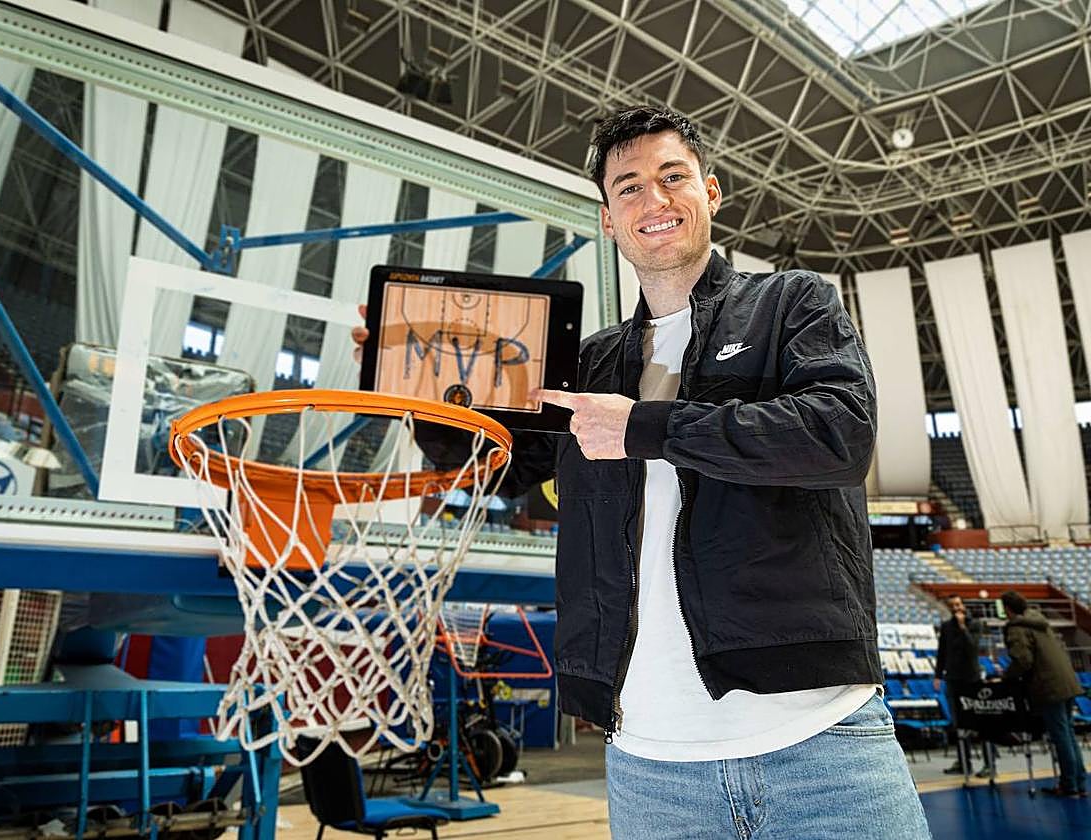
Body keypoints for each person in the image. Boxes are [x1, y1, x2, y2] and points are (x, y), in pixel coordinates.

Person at [354, 105, 929, 838]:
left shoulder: (792, 302)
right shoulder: (587, 363)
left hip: (819, 742)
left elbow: (838, 436)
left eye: (672, 177)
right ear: (606, 218)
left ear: (711, 192)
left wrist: (644, 425)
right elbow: (495, 468)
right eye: (629, 188)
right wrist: (417, 392)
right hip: (648, 764)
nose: (653, 201)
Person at [1000, 590, 1087, 797]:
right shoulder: (1039, 621)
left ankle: (1069, 785)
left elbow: (1023, 661)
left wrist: (1005, 676)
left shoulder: (1017, 628)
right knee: (1069, 734)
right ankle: (1079, 782)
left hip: (1049, 686)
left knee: (1061, 737)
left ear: (1008, 609)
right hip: (1067, 681)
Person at [933, 594, 991, 776]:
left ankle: (989, 763)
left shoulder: (975, 624)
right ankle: (963, 761)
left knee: (980, 722)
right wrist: (938, 675)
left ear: (963, 606)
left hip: (972, 679)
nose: (956, 608)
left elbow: (972, 647)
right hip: (953, 679)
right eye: (952, 606)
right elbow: (942, 652)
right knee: (959, 723)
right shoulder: (946, 627)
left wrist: (962, 626)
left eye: (958, 604)